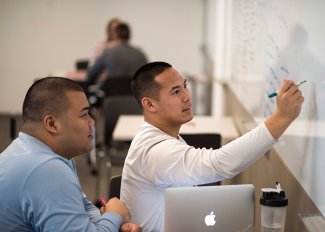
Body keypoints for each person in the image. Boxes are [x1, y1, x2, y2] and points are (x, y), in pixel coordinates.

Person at [120, 62, 304, 232]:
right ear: (149, 104)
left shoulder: (167, 138)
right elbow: (220, 163)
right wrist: (281, 118)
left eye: (184, 86)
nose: (187, 96)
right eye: (176, 92)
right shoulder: (155, 151)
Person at [0, 77, 141, 232]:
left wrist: (109, 222)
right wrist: (114, 215)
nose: (92, 122)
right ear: (52, 124)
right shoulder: (46, 170)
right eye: (84, 115)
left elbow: (83, 207)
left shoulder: (33, 150)